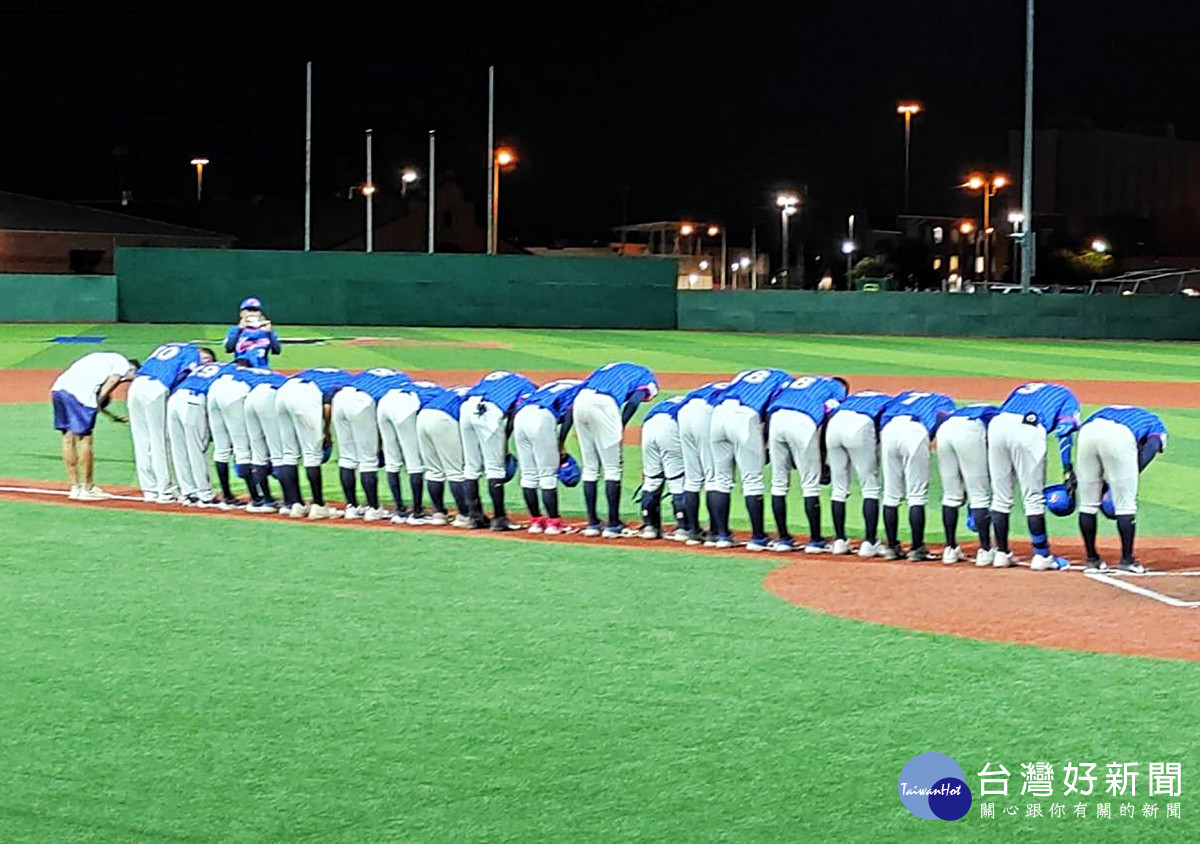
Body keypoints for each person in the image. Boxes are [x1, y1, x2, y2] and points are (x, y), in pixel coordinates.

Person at [988, 382, 1081, 571]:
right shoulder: (1067, 396)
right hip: (1028, 429)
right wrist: (1067, 468)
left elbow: (1003, 410)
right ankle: (1042, 555)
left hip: (997, 427)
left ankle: (1001, 553)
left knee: (1001, 497)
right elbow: (1065, 431)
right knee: (1033, 498)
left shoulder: (1022, 388)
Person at [707, 368, 792, 548]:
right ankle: (758, 537)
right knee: (752, 480)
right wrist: (766, 441)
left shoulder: (745, 374)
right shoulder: (783, 379)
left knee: (720, 479)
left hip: (718, 414)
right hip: (744, 416)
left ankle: (722, 536)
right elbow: (774, 408)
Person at [1076, 405, 1167, 573]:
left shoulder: (1104, 411)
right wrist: (1130, 473)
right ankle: (1127, 560)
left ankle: (1092, 559)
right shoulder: (1155, 423)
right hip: (1119, 436)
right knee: (1126, 505)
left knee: (1088, 504)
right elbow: (1153, 446)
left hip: (1087, 433)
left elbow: (1089, 440)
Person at [573, 362, 659, 537]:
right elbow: (635, 400)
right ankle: (612, 524)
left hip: (580, 401)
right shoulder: (648, 379)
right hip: (604, 404)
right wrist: (621, 424)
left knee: (590, 467)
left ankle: (592, 523)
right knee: (612, 469)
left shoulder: (607, 367)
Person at [766, 375, 848, 553]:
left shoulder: (801, 382)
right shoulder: (837, 387)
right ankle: (815, 541)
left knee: (778, 482)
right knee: (810, 485)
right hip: (802, 421)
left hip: (776, 419)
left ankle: (782, 539)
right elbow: (830, 414)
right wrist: (823, 457)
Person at [128, 343, 214, 502]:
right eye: (205, 359)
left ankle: (149, 489)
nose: (205, 363)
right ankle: (165, 490)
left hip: (136, 385)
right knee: (159, 440)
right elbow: (183, 374)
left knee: (141, 439)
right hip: (156, 388)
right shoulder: (192, 352)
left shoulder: (167, 346)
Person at [878, 390, 957, 561]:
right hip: (914, 430)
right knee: (916, 495)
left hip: (889, 430)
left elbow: (883, 415)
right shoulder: (943, 399)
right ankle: (917, 548)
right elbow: (944, 419)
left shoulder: (903, 396)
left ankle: (891, 547)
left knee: (891, 494)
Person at [50, 352, 138, 500]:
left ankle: (74, 487)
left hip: (58, 389)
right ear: (133, 369)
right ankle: (88, 488)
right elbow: (109, 385)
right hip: (81, 395)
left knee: (67, 438)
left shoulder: (103, 359)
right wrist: (98, 403)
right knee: (85, 440)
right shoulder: (122, 364)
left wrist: (110, 416)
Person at [331, 367, 410, 522]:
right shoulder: (403, 383)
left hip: (340, 397)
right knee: (368, 460)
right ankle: (373, 509)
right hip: (361, 402)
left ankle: (352, 507)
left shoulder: (372, 374)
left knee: (347, 457)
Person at [275, 367, 354, 519]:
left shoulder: (325, 374)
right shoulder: (348, 383)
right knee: (312, 454)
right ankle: (318, 505)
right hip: (305, 394)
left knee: (289, 453)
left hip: (284, 391)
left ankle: (296, 504)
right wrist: (326, 432)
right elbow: (327, 406)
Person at [825, 390, 892, 557]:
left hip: (834, 425)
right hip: (860, 425)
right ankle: (870, 542)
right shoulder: (888, 401)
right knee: (870, 487)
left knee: (838, 488)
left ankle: (839, 541)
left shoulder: (851, 399)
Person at [513, 378, 581, 535]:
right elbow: (570, 414)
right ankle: (553, 524)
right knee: (548, 475)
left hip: (521, 416)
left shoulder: (551, 385)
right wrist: (560, 443)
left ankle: (535, 522)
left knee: (528, 474)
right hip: (542, 417)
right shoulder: (583, 390)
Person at [936, 403, 999, 565]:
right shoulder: (998, 414)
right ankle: (985, 551)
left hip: (944, 429)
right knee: (979, 496)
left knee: (950, 496)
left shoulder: (966, 410)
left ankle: (950, 549)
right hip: (971, 429)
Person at [378, 379, 447, 525]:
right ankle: (417, 513)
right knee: (414, 462)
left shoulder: (421, 387)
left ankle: (399, 510)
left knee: (392, 461)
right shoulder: (442, 394)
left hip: (385, 402)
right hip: (405, 406)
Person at [167, 361, 236, 507]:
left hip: (174, 399)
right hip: (194, 400)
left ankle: (188, 492)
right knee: (197, 448)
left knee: (179, 448)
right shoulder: (232, 370)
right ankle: (205, 494)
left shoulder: (204, 367)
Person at [675, 380, 730, 544]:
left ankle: (692, 531)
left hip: (684, 412)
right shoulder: (738, 390)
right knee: (713, 477)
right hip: (706, 413)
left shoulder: (709, 386)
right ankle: (715, 532)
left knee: (692, 478)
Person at [417, 387, 473, 526]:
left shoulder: (457, 391)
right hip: (444, 418)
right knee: (456, 471)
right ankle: (464, 515)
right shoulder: (479, 398)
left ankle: (438, 514)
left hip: (423, 416)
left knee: (434, 470)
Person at [637, 393, 687, 540]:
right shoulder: (707, 406)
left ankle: (649, 527)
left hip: (649, 426)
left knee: (651, 479)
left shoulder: (676, 400)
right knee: (677, 480)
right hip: (671, 426)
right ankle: (683, 528)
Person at [224, 297, 281, 368]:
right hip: (241, 367)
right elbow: (229, 348)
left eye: (255, 310)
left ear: (260, 314)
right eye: (248, 310)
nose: (252, 313)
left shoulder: (266, 330)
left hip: (261, 369)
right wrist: (239, 329)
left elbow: (277, 350)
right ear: (241, 313)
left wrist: (269, 333)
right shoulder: (235, 330)